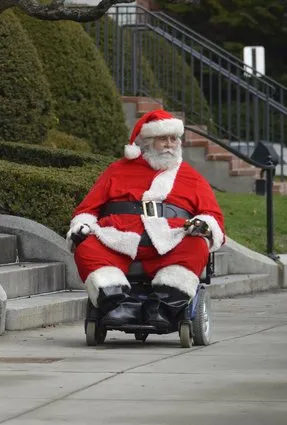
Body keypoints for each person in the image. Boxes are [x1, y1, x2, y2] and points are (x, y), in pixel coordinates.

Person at [67, 109, 226, 329]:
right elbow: (87, 209)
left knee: (197, 245)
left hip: (170, 242)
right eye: (163, 139)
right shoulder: (117, 170)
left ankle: (163, 307)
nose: (170, 144)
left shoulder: (192, 177)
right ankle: (116, 306)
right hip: (118, 240)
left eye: (173, 139)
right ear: (148, 142)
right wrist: (82, 226)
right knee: (86, 247)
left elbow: (213, 216)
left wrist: (203, 225)